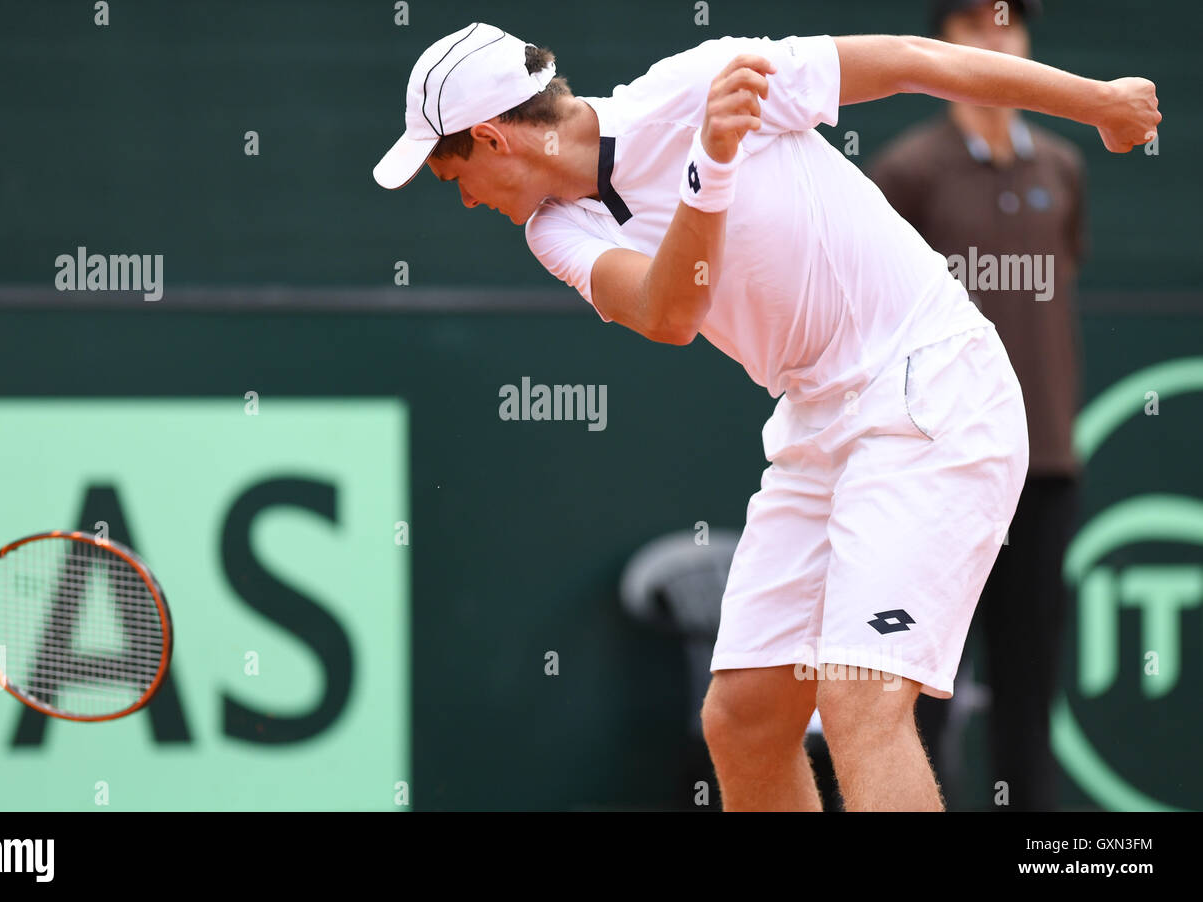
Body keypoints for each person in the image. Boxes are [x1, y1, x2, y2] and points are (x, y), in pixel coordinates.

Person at [373, 21, 1159, 810]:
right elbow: (669, 310)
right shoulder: (555, 229)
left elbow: (909, 63)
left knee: (858, 702)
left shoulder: (700, 81)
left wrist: (1096, 102)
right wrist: (709, 170)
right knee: (744, 721)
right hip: (816, 421)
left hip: (932, 382)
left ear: (491, 138)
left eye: (454, 175)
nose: (466, 197)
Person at [868, 0, 1087, 811]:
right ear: (941, 46)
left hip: (1045, 470)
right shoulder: (907, 172)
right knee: (927, 687)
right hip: (940, 471)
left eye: (1009, 24)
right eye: (974, 26)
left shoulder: (1063, 168)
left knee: (1029, 688)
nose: (997, 39)